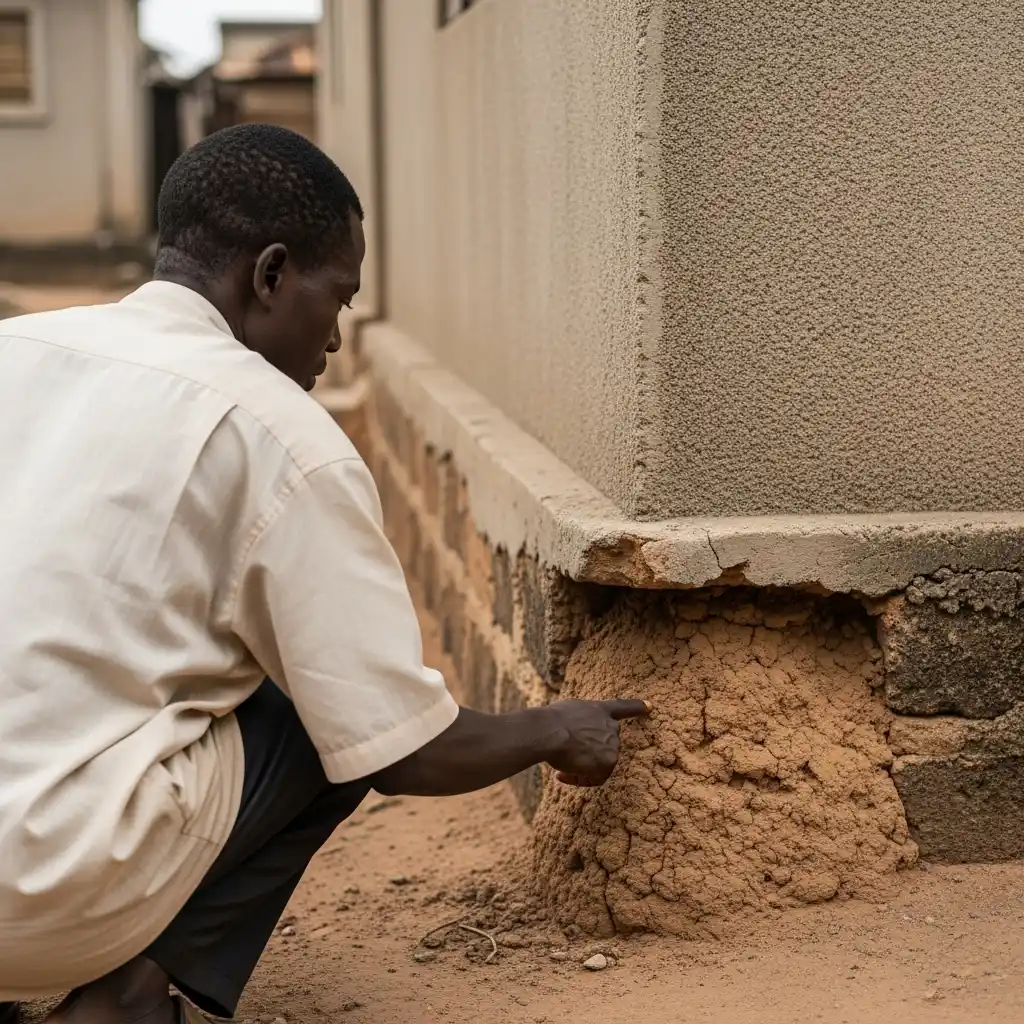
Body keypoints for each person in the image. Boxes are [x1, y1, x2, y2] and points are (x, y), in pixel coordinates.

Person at [0, 124, 647, 1024]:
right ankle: (125, 998)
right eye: (335, 299)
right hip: (44, 891)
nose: (336, 340)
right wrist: (553, 730)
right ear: (268, 276)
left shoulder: (16, 351)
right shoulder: (282, 433)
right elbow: (399, 744)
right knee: (323, 707)